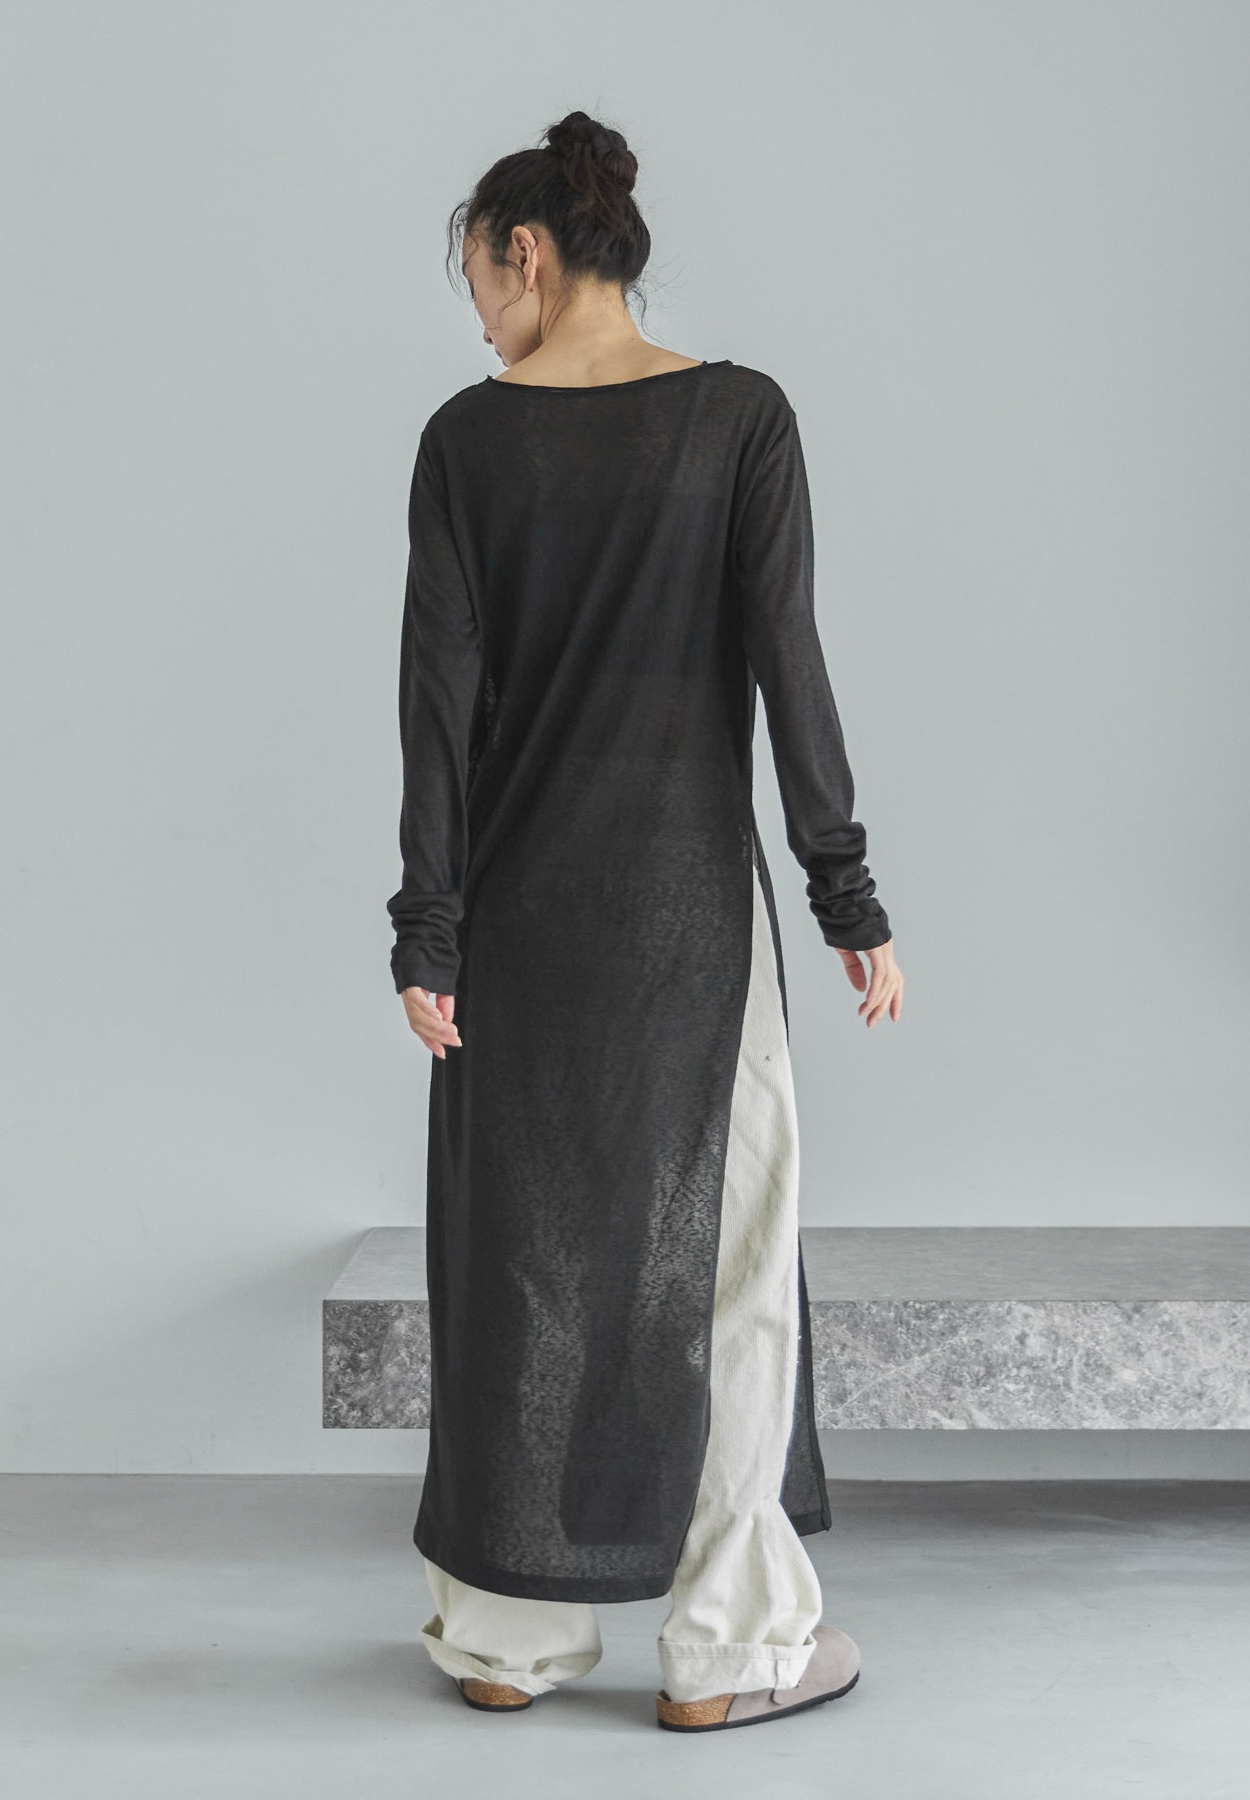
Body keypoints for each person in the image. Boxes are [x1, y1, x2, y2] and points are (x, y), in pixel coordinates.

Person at [386, 109, 903, 1733]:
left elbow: (435, 714)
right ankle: (732, 1651)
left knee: (521, 1261)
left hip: (519, 926)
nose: (481, 317)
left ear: (528, 252)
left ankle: (504, 1635)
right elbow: (788, 662)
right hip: (692, 927)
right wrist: (844, 889)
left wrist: (428, 931)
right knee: (726, 1267)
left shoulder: (465, 442)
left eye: (479, 280)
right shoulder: (740, 419)